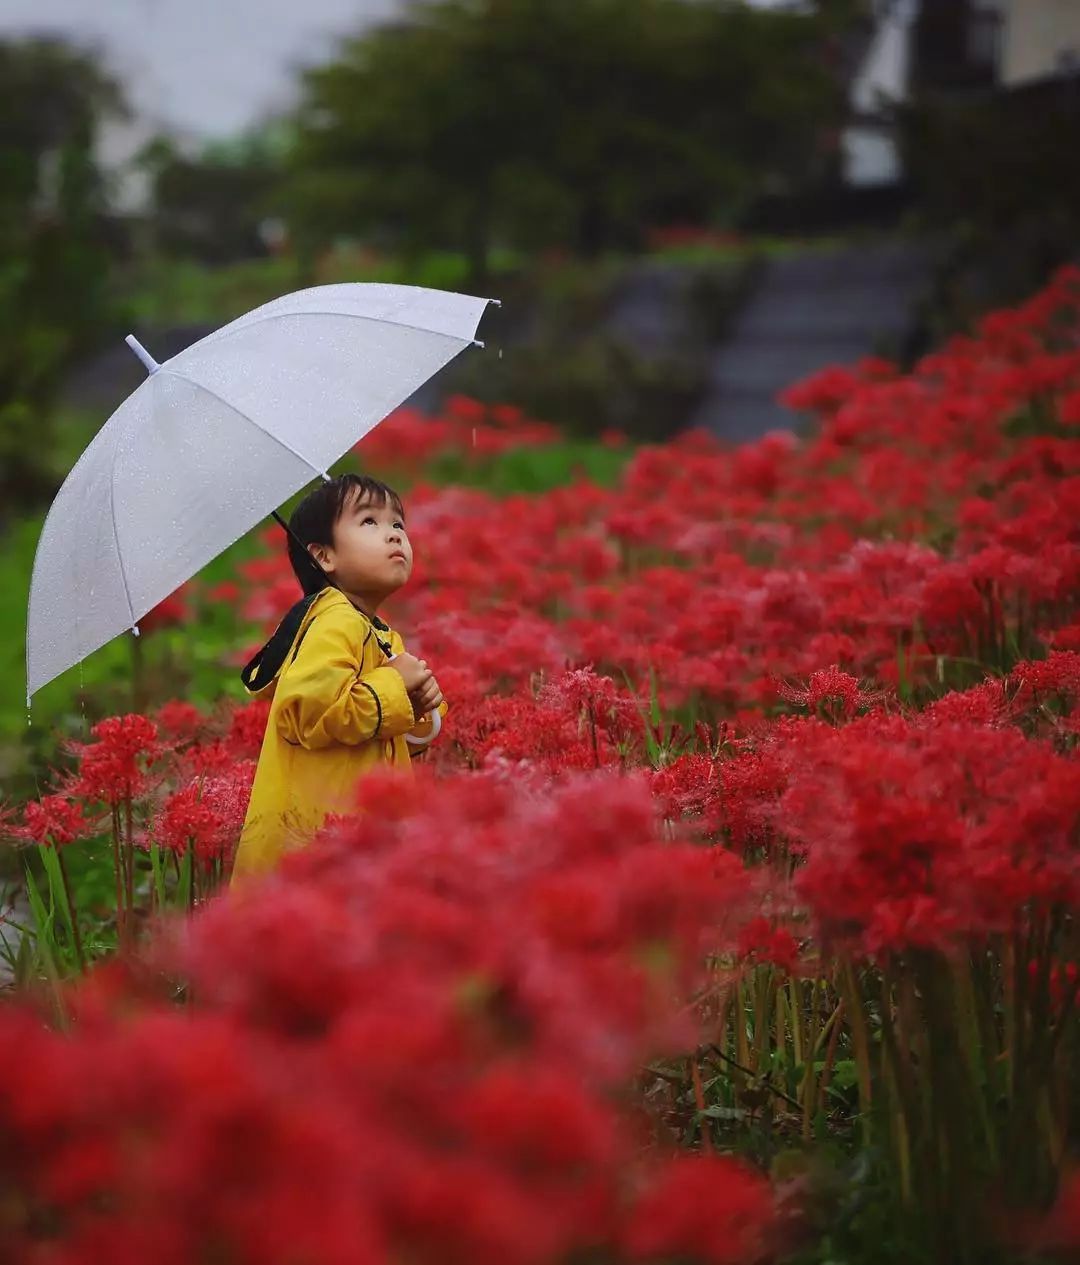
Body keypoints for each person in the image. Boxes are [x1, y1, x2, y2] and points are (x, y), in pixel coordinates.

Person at [230, 473, 446, 881]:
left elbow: (381, 730)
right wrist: (395, 684)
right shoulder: (335, 622)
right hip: (317, 843)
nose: (394, 535)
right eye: (369, 522)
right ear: (323, 557)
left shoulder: (375, 630)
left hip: (353, 830)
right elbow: (311, 714)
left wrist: (418, 707)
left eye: (398, 523)